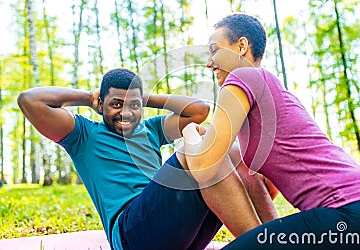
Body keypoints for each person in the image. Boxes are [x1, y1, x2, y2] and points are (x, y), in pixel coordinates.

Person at [182, 13, 360, 249]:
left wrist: (190, 134)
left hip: (351, 208)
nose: (209, 62)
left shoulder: (243, 76)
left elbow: (204, 168)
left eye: (215, 50)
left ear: (242, 46)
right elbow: (267, 187)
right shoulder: (268, 96)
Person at [17, 68, 274, 250]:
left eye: (134, 105)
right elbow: (29, 100)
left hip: (177, 234)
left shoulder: (151, 129)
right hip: (132, 235)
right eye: (116, 104)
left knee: (227, 150)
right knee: (193, 149)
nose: (126, 112)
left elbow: (199, 110)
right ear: (101, 103)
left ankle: (273, 236)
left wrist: (142, 96)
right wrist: (86, 97)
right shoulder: (83, 134)